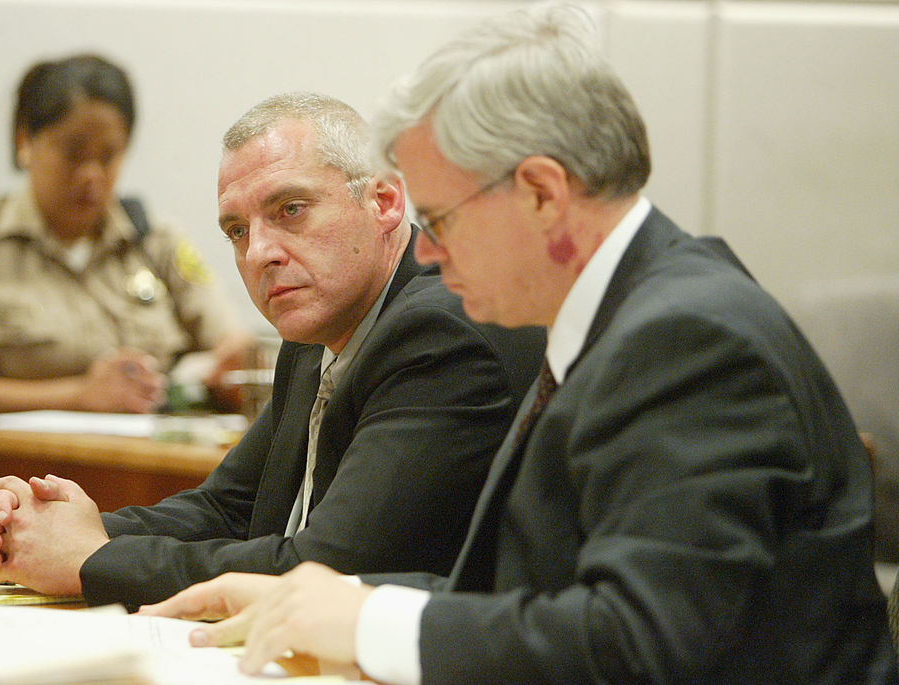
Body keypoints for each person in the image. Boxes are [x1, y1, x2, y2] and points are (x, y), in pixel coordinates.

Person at [138, 4, 898, 683]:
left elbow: (640, 642)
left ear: (540, 192)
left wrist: (369, 621)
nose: (425, 255)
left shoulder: (687, 340)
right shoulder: (635, 315)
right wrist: (317, 597)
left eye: (439, 220)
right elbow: (537, 595)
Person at [0, 92, 546, 610]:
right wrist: (55, 531)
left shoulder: (442, 333)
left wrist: (92, 561)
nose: (259, 253)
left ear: (384, 202)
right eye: (237, 231)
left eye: (291, 210)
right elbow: (228, 508)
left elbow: (320, 569)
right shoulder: (316, 332)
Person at [0, 53, 250, 436]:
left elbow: (232, 346)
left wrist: (229, 369)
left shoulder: (156, 242)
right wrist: (78, 394)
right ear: (25, 141)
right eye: (73, 153)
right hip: (10, 475)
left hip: (147, 470)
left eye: (108, 156)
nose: (91, 175)